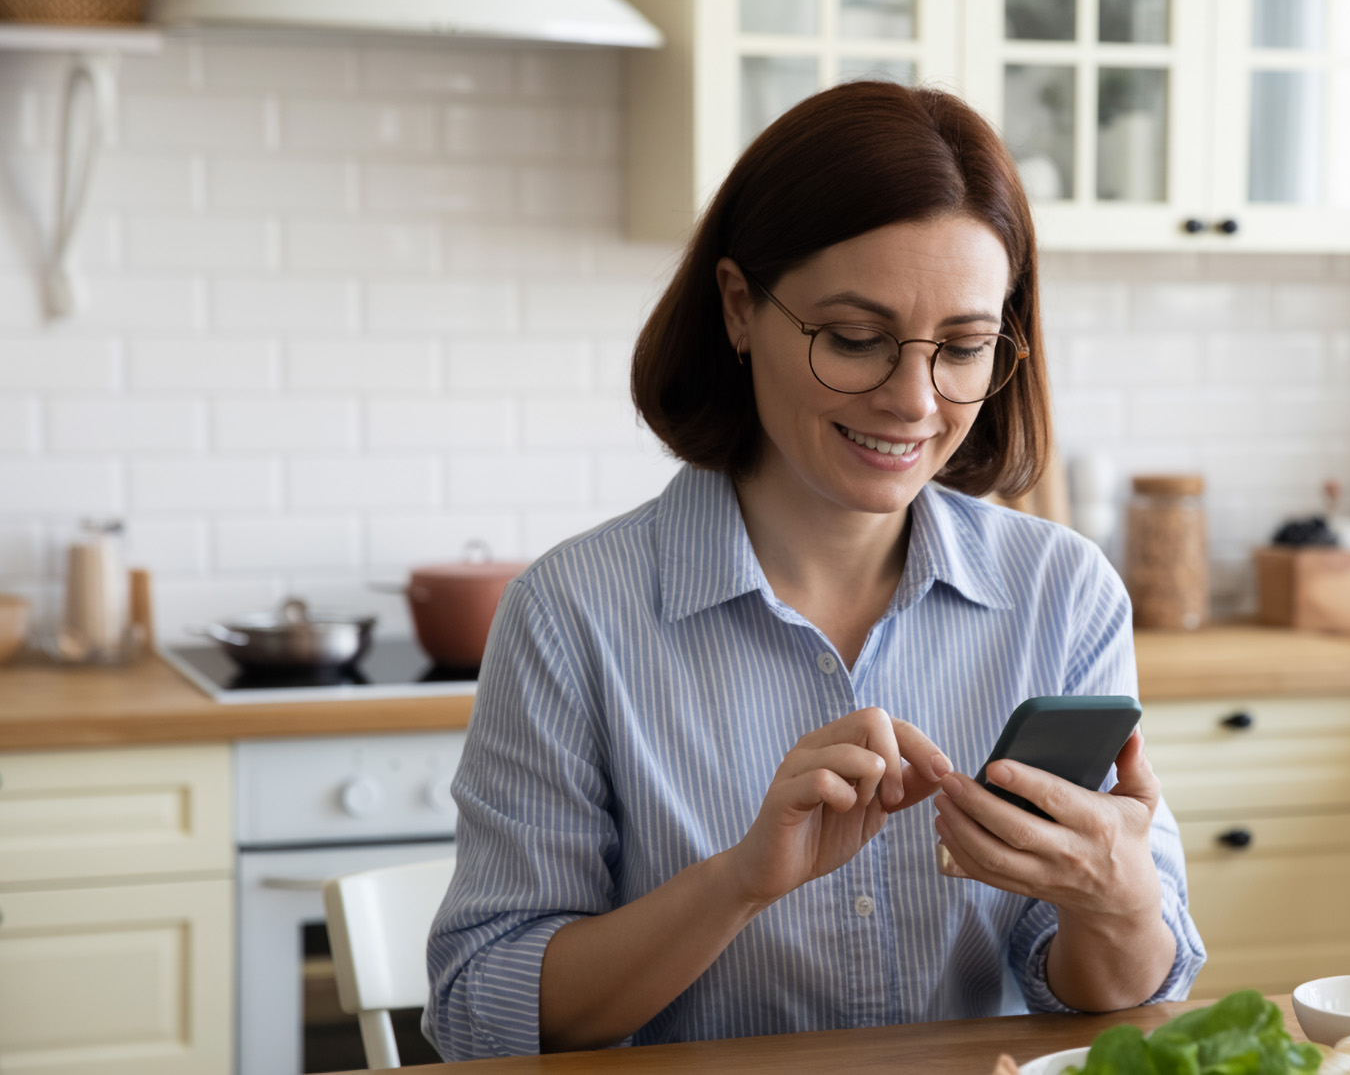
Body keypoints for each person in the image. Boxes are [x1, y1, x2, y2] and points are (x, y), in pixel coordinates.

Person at [423, 80, 1205, 1060]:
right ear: (740, 308)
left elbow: (1103, 989)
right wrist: (740, 880)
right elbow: (481, 1009)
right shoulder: (572, 613)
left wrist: (1120, 899)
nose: (913, 400)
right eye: (855, 339)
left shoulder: (1064, 594)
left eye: (962, 348)